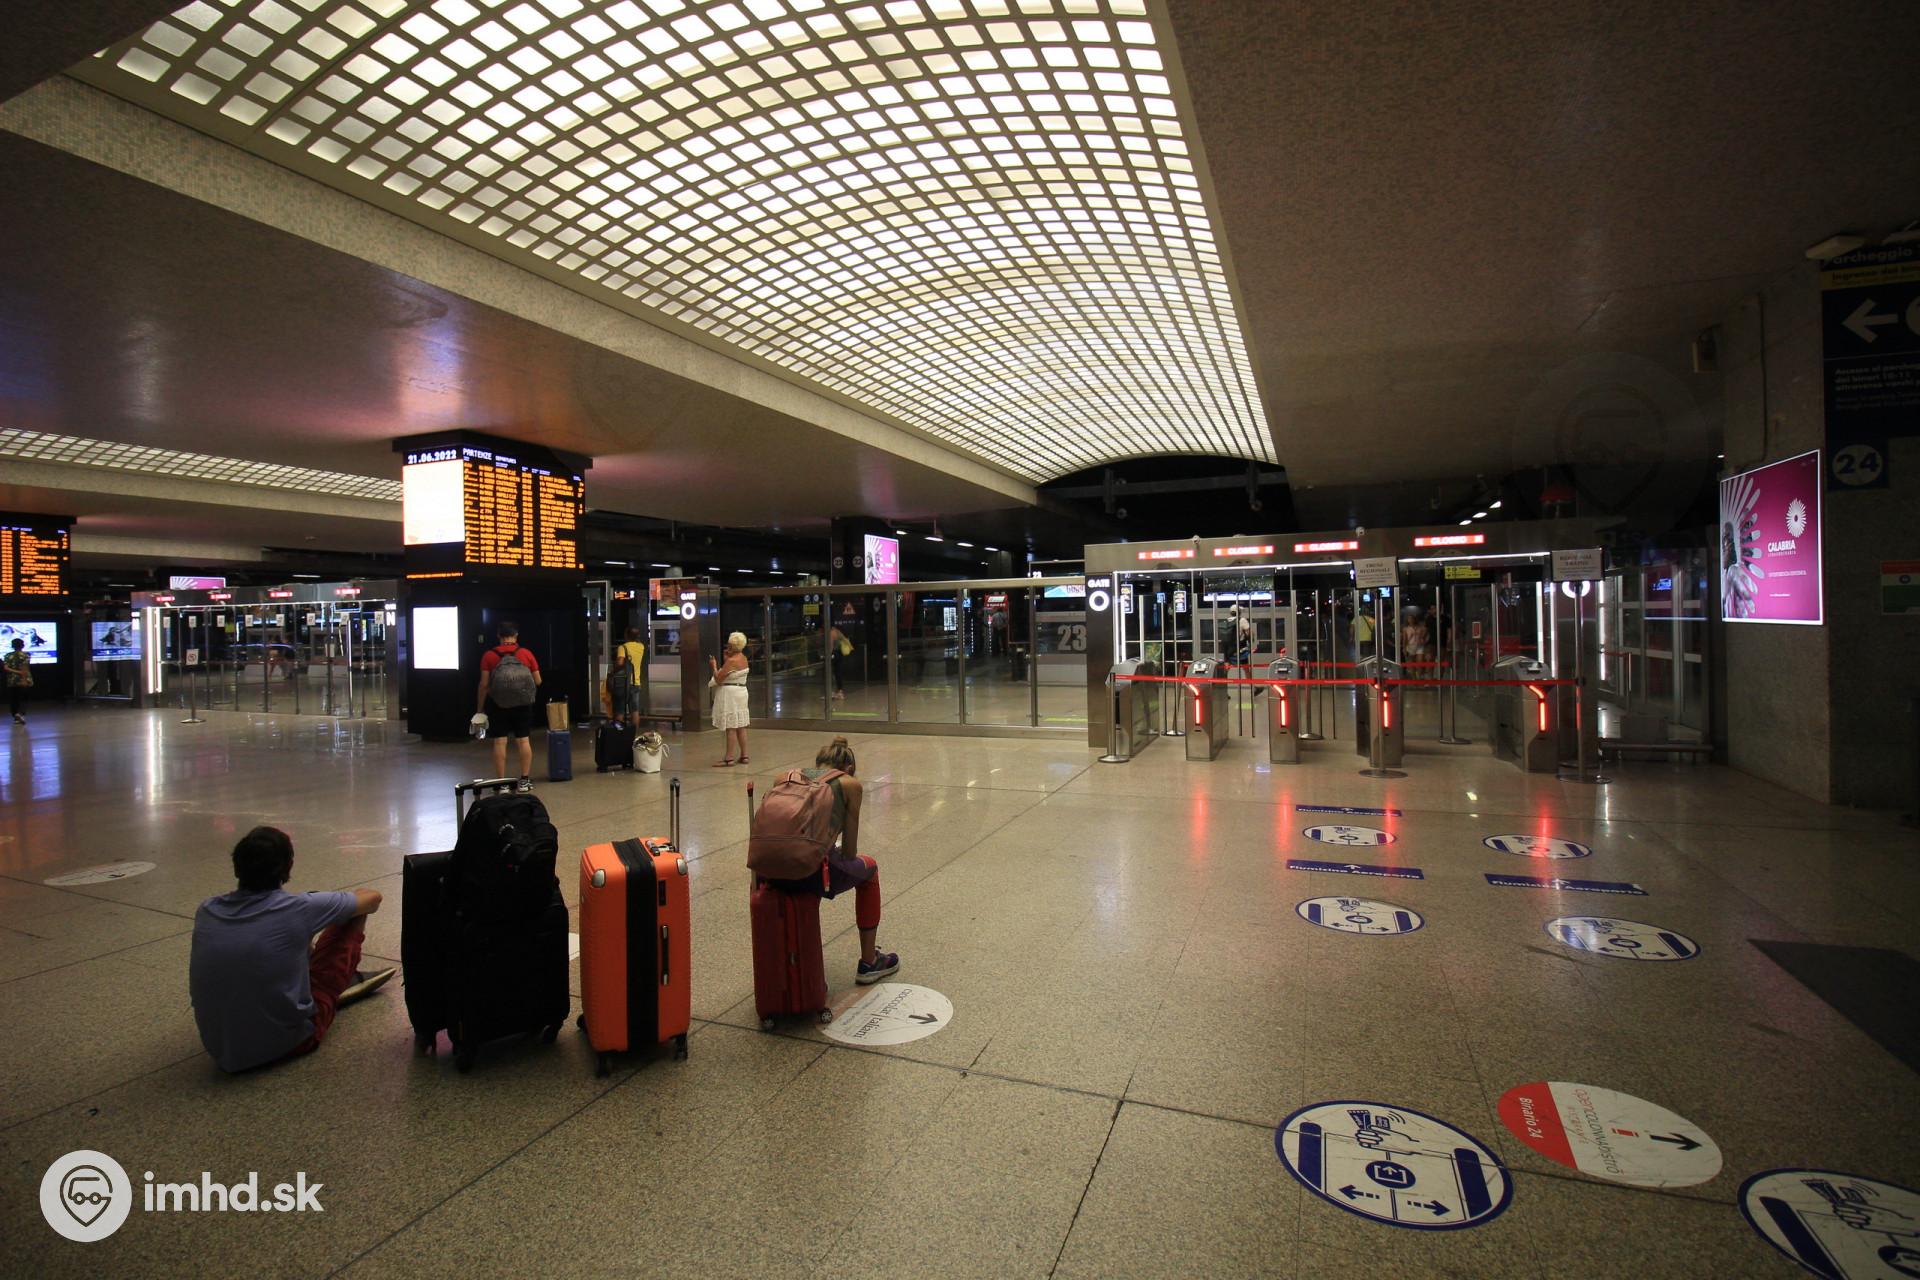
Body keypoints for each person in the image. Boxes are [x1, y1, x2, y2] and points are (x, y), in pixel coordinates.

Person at [188, 826, 397, 1073]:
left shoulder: (207, 909)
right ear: (288, 866)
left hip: (222, 1051)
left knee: (287, 939)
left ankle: (297, 984)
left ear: (237, 866)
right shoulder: (298, 908)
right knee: (353, 915)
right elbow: (372, 898)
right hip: (290, 1042)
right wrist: (324, 904)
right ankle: (335, 983)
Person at [767, 737, 899, 984]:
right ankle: (869, 962)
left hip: (769, 870)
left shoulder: (785, 778)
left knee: (809, 864)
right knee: (869, 870)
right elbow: (849, 851)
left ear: (818, 764)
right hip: (811, 874)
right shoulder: (849, 784)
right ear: (848, 769)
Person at [476, 621, 542, 791]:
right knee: (523, 740)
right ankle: (524, 780)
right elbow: (538, 681)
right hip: (523, 704)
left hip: (498, 704)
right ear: (516, 636)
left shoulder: (489, 656)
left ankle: (502, 783)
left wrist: (480, 708)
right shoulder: (526, 654)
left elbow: (484, 684)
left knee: (500, 742)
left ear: (498, 636)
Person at [709, 630, 751, 766]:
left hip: (731, 695)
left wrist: (714, 666)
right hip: (742, 692)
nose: (727, 647)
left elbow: (718, 679)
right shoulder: (743, 658)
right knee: (741, 726)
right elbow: (734, 673)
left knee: (731, 726)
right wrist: (727, 659)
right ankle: (744, 755)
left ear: (733, 646)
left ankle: (729, 758)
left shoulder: (732, 661)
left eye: (729, 645)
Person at [617, 626, 647, 716]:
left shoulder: (623, 647)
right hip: (636, 683)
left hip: (623, 683)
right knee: (634, 710)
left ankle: (619, 725)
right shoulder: (641, 647)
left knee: (620, 710)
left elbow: (620, 663)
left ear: (627, 635)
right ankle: (635, 726)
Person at [600, 646, 635, 721]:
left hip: (618, 692)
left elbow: (609, 688)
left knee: (618, 712)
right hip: (627, 689)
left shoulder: (615, 672)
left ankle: (617, 726)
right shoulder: (629, 666)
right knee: (631, 710)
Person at [5, 636, 30, 725]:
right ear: (22, 645)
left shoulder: (8, 655)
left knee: (13, 699)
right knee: (23, 698)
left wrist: (14, 671)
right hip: (24, 679)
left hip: (12, 680)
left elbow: (6, 668)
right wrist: (22, 676)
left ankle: (15, 715)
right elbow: (25, 667)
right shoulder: (26, 655)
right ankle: (21, 714)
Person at [827, 624, 850, 702]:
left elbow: (831, 645)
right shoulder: (839, 632)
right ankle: (840, 692)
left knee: (832, 672)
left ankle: (833, 692)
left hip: (835, 654)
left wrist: (829, 654)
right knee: (838, 672)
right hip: (840, 653)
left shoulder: (831, 632)